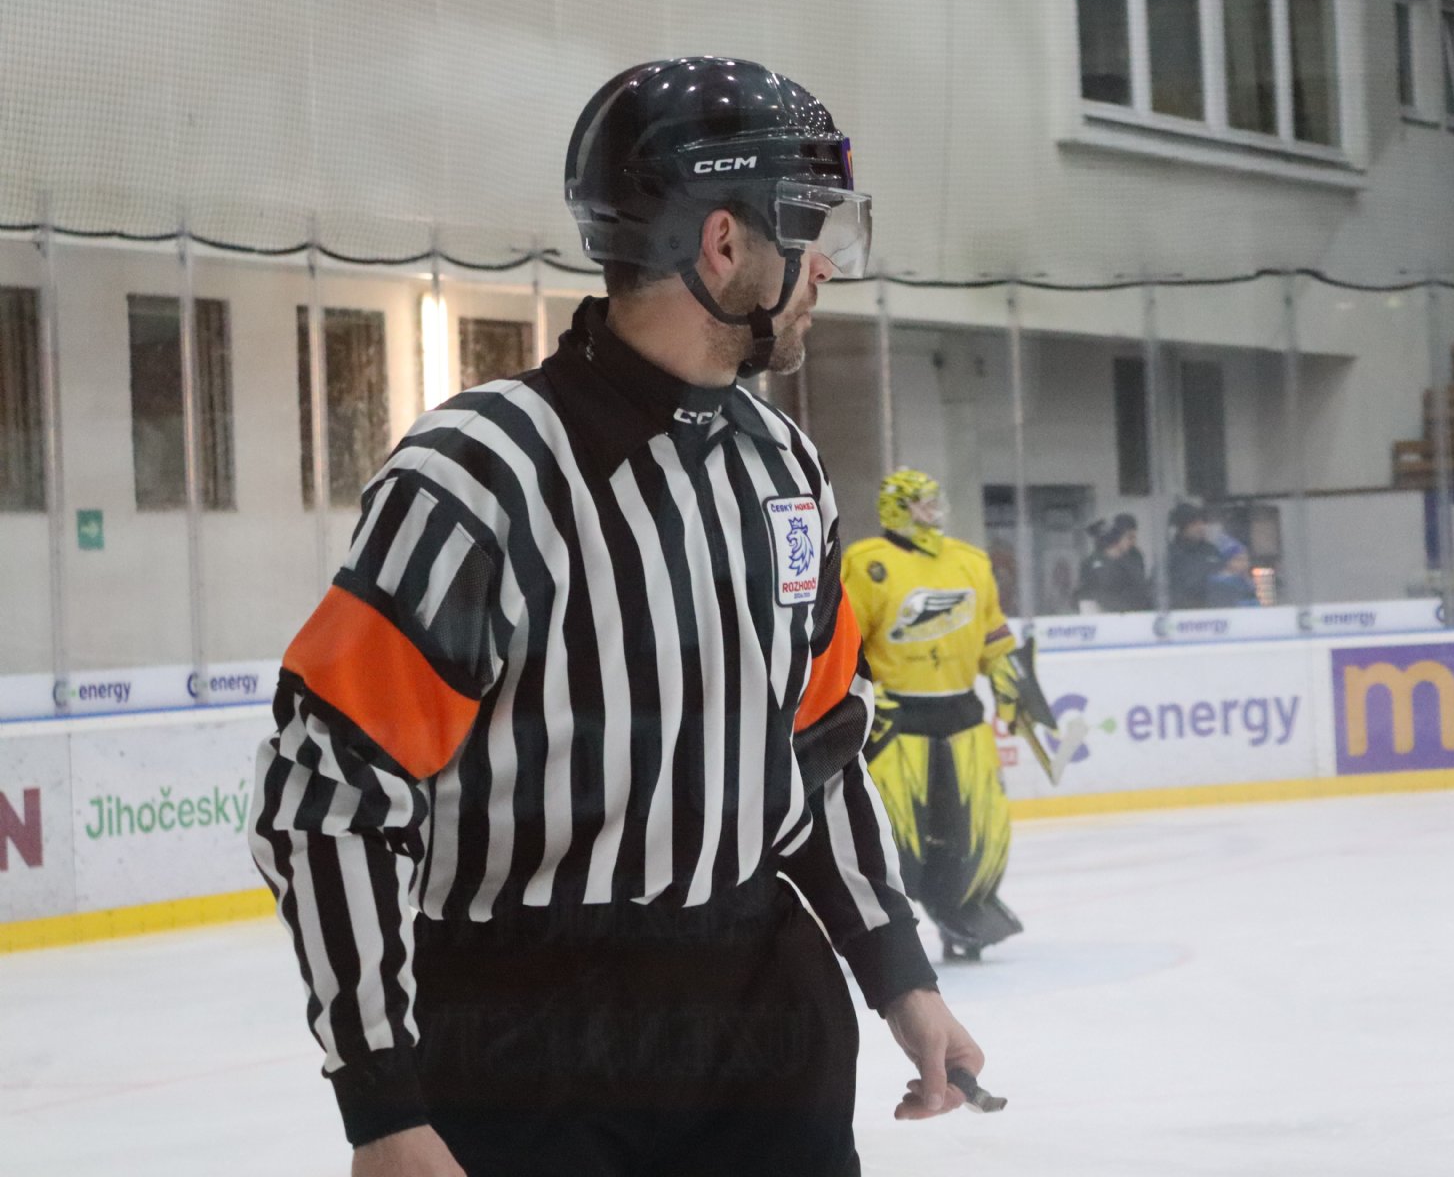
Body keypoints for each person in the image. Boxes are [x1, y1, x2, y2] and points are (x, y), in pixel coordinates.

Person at [250, 57, 984, 1177]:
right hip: (523, 1043)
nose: (828, 263)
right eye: (807, 226)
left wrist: (898, 974)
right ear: (723, 243)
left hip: (762, 1020)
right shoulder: (477, 475)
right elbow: (329, 798)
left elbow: (820, 744)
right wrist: (382, 1101)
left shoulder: (785, 468)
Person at [843, 468, 1047, 961]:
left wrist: (1008, 680)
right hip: (897, 724)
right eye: (922, 503)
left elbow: (994, 635)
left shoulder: (970, 562)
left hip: (963, 718)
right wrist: (861, 694)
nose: (933, 511)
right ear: (896, 508)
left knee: (975, 830)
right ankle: (876, 928)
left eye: (935, 501)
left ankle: (964, 910)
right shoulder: (867, 563)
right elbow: (843, 642)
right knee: (894, 838)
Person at [1075, 513, 1152, 613]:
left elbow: (1140, 589)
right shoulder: (1091, 563)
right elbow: (1087, 596)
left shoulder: (1135, 557)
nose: (1133, 542)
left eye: (1134, 537)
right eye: (1129, 537)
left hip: (1135, 614)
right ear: (1117, 537)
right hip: (1105, 616)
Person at [1167, 502, 1223, 609]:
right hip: (1183, 613)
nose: (1201, 527)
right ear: (1183, 527)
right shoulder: (1170, 555)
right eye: (1195, 524)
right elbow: (1161, 589)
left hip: (1214, 611)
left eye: (1202, 523)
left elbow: (1224, 580)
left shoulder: (1211, 551)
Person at [1204, 540, 1260, 608]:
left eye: (1246, 560)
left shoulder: (1245, 580)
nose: (1245, 563)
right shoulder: (1218, 583)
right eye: (1239, 560)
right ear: (1228, 561)